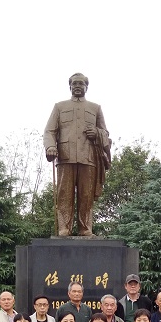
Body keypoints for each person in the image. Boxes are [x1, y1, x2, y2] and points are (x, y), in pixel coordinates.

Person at [43, 72, 110, 237]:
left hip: (88, 157)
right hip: (65, 156)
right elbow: (49, 131)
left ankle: (85, 228)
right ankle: (64, 227)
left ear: (86, 87)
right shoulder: (59, 107)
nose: (77, 86)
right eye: (74, 83)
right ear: (70, 86)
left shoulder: (95, 108)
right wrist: (50, 146)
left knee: (86, 195)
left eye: (81, 83)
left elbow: (105, 133)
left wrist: (97, 133)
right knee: (64, 194)